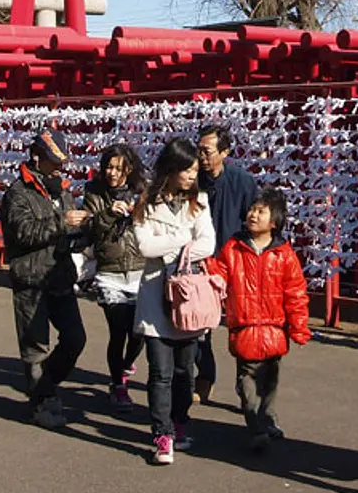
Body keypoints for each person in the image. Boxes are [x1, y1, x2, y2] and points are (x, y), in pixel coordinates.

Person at [133, 137, 217, 465]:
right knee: (160, 372)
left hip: (186, 298)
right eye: (187, 170)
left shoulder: (200, 202)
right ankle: (162, 433)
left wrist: (171, 250)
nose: (192, 176)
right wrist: (183, 241)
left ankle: (182, 420)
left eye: (195, 170)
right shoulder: (145, 203)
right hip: (156, 295)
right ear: (171, 168)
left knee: (185, 371)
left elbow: (208, 244)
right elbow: (143, 247)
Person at [0, 129, 90, 429]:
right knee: (35, 348)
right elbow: (23, 234)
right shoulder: (17, 193)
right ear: (36, 157)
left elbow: (68, 234)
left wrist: (86, 230)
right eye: (53, 160)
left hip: (60, 276)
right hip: (31, 281)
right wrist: (62, 223)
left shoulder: (62, 191)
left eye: (61, 160)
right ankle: (41, 402)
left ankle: (44, 387)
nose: (59, 166)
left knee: (75, 338)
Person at [207, 188, 310, 451]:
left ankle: (266, 416)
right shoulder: (233, 247)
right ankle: (256, 426)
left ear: (274, 221)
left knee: (270, 380)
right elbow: (220, 272)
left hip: (275, 330)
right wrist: (207, 265)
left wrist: (299, 328)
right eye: (252, 210)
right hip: (244, 327)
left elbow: (295, 293)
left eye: (260, 211)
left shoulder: (284, 255)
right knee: (247, 379)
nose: (253, 215)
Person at [194, 125, 258, 403]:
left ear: (224, 152)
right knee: (198, 327)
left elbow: (255, 220)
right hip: (200, 265)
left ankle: (246, 388)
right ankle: (205, 377)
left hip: (236, 265)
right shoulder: (192, 179)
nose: (202, 156)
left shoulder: (243, 182)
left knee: (241, 328)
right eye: (199, 150)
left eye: (207, 151)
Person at [83, 143, 148, 410]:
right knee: (118, 330)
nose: (112, 173)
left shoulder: (143, 192)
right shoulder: (94, 192)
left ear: (129, 169)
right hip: (109, 271)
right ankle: (118, 384)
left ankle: (125, 364)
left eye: (118, 168)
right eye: (108, 167)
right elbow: (89, 227)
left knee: (139, 332)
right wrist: (108, 214)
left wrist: (139, 212)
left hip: (140, 270)